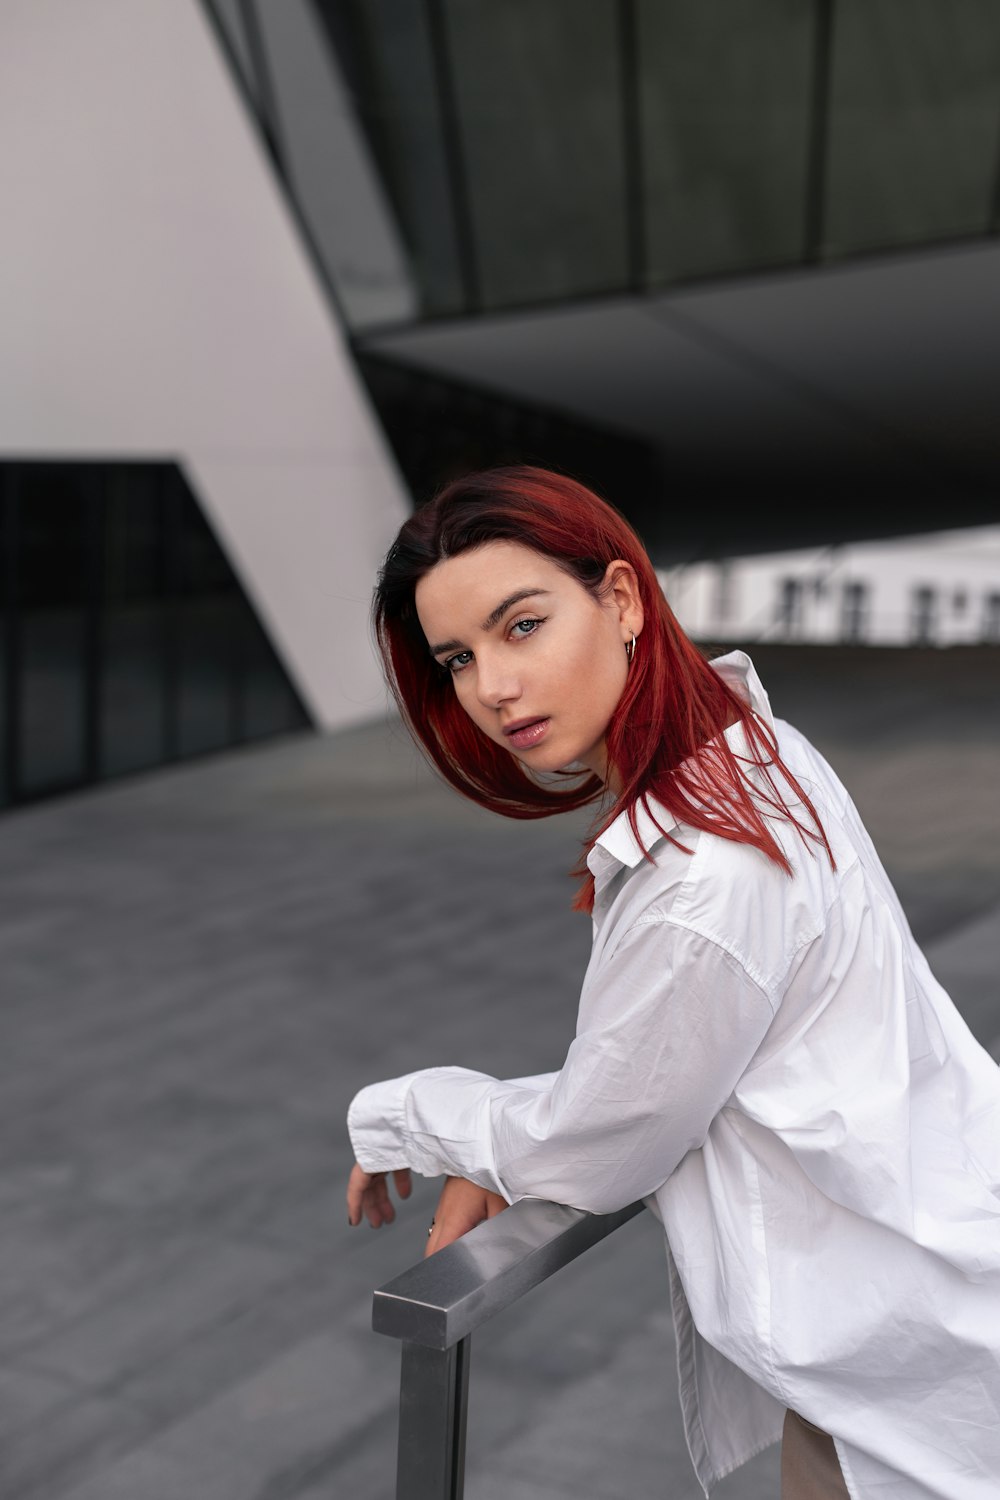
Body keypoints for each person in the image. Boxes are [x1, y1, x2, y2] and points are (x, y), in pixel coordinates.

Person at [346, 466, 1000, 1499]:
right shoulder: (756, 749)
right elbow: (652, 1069)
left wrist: (406, 1114)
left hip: (916, 1371)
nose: (492, 688)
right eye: (459, 658)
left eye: (521, 627)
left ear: (619, 598)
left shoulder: (704, 873)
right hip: (917, 1314)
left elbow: (595, 1147)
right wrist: (512, 1144)